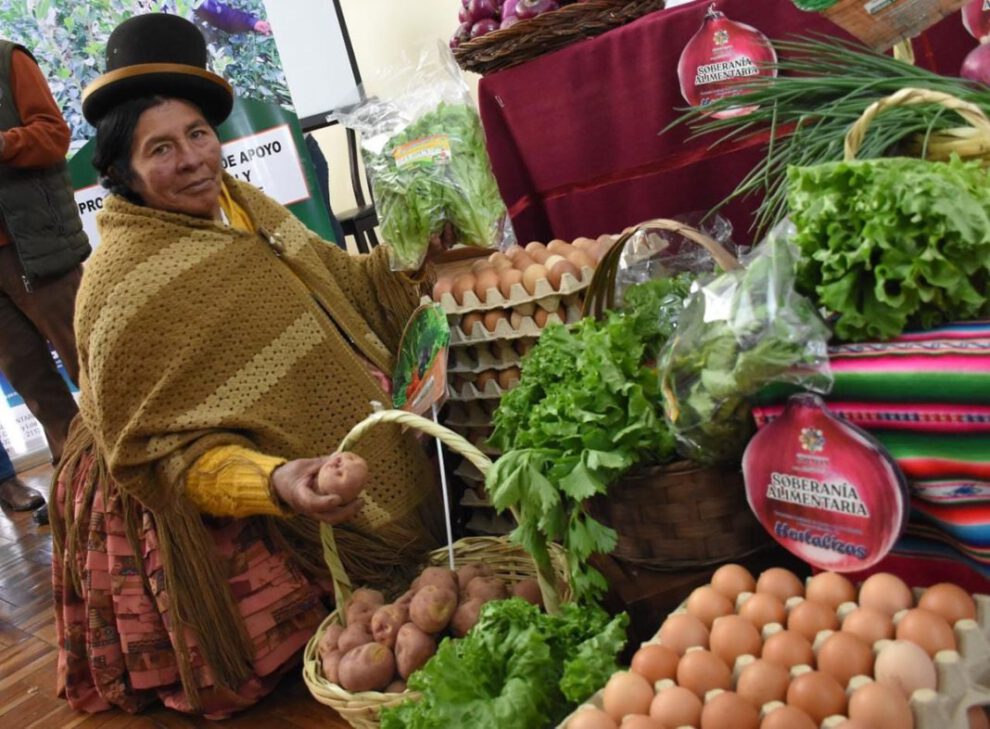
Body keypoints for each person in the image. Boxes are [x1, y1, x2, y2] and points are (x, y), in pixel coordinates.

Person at [51, 13, 444, 718]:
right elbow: (162, 451)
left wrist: (414, 251)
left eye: (199, 133)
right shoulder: (120, 285)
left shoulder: (238, 202)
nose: (195, 158)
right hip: (190, 476)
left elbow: (342, 282)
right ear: (121, 173)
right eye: (162, 148)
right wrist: (281, 479)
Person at [0, 39, 90, 515]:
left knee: (89, 362)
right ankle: (84, 488)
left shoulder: (7, 59)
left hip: (33, 247)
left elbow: (54, 136)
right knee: (32, 381)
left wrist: (4, 141)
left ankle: (140, 473)